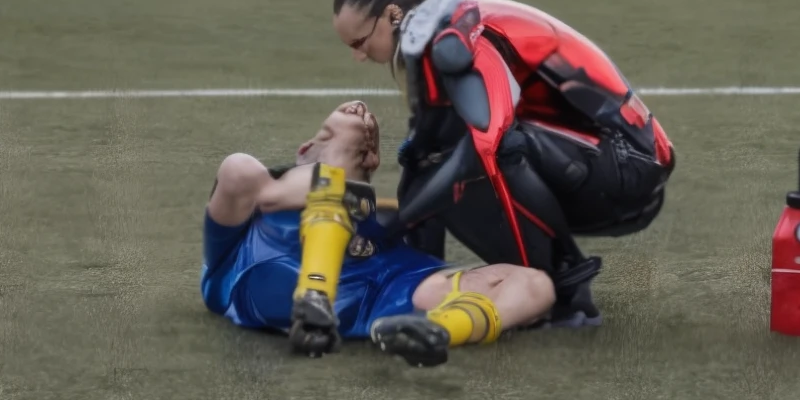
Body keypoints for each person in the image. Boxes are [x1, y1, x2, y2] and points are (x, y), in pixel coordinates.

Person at [331, 0, 675, 327]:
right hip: (596, 159)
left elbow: (487, 144)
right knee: (428, 161)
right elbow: (424, 152)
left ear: (392, 15)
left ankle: (565, 284)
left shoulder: (451, 39)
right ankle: (418, 288)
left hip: (629, 164)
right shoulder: (432, 38)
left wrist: (401, 219)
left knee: (493, 152)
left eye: (360, 43)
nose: (358, 57)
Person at [201, 100, 556, 367]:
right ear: (304, 151)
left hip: (382, 293)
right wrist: (318, 185)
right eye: (328, 132)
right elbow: (238, 175)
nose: (360, 108)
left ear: (372, 162)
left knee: (535, 286)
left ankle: (438, 331)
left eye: (368, 148)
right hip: (267, 280)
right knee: (311, 182)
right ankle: (313, 297)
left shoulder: (388, 217)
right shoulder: (252, 223)